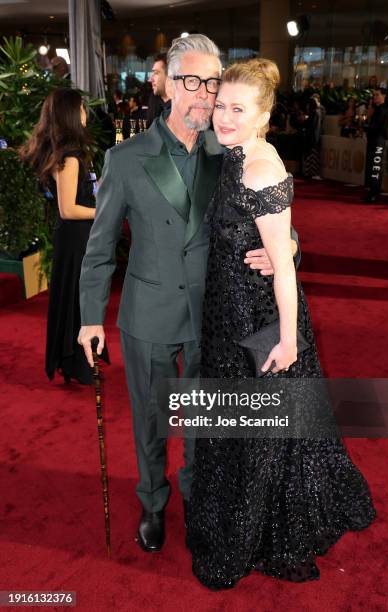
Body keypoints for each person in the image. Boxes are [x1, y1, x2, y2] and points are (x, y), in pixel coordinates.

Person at [78, 35, 301, 554]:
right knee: (151, 420)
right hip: (149, 313)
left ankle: (197, 494)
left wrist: (288, 249)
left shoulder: (232, 149)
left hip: (212, 314)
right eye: (192, 81)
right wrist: (91, 317)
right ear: (165, 84)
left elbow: (276, 217)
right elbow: (99, 247)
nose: (205, 94)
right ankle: (153, 503)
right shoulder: (126, 158)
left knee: (205, 420)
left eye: (213, 82)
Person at [186, 58, 376, 590]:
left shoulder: (263, 169)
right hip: (226, 316)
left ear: (264, 114)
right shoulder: (233, 153)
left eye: (237, 109)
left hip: (257, 325)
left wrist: (289, 341)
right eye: (221, 105)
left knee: (263, 435)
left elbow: (284, 273)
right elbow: (279, 244)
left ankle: (263, 537)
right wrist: (287, 245)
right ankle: (233, 518)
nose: (223, 117)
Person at [20, 88, 109, 384]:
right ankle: (80, 366)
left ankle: (75, 364)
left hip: (73, 238)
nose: (86, 113)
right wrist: (106, 211)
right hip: (75, 238)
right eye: (82, 108)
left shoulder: (65, 152)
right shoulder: (69, 157)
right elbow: (68, 209)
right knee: (79, 300)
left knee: (76, 299)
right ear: (72, 115)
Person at [363, 87, 388, 203]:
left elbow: (376, 127)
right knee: (372, 166)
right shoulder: (377, 109)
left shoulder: (382, 110)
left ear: (384, 96)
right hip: (374, 140)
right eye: (374, 95)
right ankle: (372, 192)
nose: (375, 97)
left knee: (375, 168)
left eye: (377, 95)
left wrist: (366, 127)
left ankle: (374, 194)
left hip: (378, 140)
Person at [146, 53, 171, 126]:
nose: (150, 79)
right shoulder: (153, 101)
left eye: (156, 73)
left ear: (169, 76)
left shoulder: (181, 105)